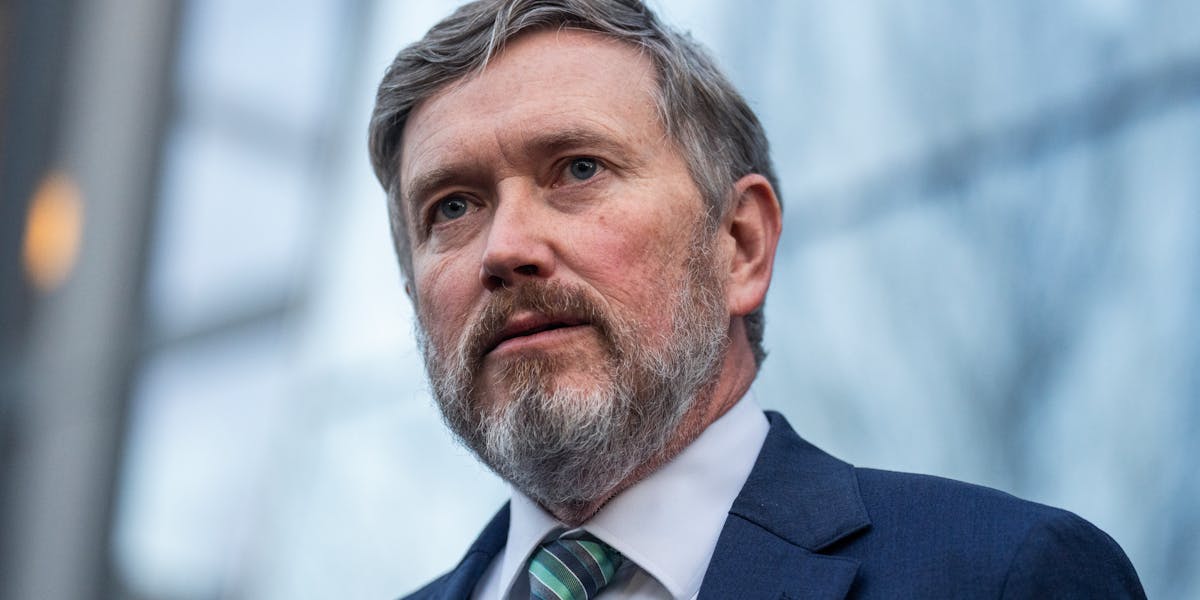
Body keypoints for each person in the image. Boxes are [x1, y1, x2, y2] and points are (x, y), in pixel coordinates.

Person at [368, 1, 1146, 598]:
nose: (504, 248)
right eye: (452, 207)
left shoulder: (1003, 576)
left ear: (739, 244)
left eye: (578, 169)